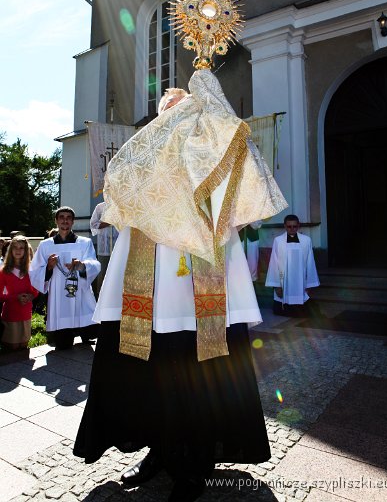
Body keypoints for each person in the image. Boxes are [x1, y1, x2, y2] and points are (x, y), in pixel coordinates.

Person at [74, 69, 287, 502]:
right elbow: (124, 188)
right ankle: (160, 450)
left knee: (197, 371)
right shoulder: (145, 160)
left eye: (181, 110)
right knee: (149, 370)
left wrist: (207, 92)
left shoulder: (209, 155)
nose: (172, 120)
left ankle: (194, 462)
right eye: (166, 113)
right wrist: (109, 209)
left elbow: (235, 154)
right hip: (146, 273)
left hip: (197, 274)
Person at [29, 206, 101, 350]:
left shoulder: (84, 243)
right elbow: (34, 270)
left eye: (68, 218)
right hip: (58, 295)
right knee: (63, 346)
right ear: (56, 221)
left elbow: (94, 264)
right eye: (61, 217)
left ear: (73, 222)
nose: (65, 220)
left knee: (87, 344)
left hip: (80, 291)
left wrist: (82, 265)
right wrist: (49, 267)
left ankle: (85, 334)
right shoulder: (45, 245)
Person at [266, 214, 320, 315]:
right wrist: (277, 286)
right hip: (284, 280)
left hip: (300, 279)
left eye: (294, 226)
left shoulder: (306, 240)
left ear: (298, 226)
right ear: (285, 226)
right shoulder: (278, 241)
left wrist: (309, 284)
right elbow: (274, 263)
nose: (292, 229)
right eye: (289, 226)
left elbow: (310, 262)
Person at [0, 236, 37, 351]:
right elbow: (0, 295)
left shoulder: (31, 270)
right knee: (12, 348)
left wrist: (31, 296)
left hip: (25, 313)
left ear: (26, 251)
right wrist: (16, 297)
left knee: (24, 347)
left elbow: (35, 291)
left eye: (21, 248)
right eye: (15, 247)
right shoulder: (4, 271)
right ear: (10, 250)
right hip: (11, 314)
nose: (18, 250)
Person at [90, 202, 118, 292]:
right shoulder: (100, 207)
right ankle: (100, 298)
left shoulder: (121, 205)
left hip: (118, 247)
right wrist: (109, 222)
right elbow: (93, 224)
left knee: (118, 272)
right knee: (103, 273)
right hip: (104, 248)